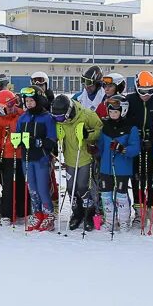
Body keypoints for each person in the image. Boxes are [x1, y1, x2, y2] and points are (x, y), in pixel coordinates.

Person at [52, 93, 102, 231]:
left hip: (85, 157)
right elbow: (56, 131)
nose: (60, 120)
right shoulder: (61, 121)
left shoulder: (86, 115)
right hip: (69, 158)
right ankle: (77, 213)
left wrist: (88, 135)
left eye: (62, 117)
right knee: (70, 188)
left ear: (69, 111)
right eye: (57, 118)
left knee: (82, 187)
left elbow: (100, 129)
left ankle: (89, 214)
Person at [15, 87, 57, 231]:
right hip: (26, 158)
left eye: (31, 100)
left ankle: (49, 215)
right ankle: (37, 213)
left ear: (38, 101)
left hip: (41, 158)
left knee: (42, 188)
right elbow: (17, 134)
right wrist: (17, 140)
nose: (29, 103)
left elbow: (52, 139)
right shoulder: (23, 118)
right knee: (31, 188)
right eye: (26, 101)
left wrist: (38, 142)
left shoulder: (47, 117)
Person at [127, 71, 153, 225]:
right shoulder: (130, 100)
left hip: (152, 144)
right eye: (142, 91)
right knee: (136, 178)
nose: (146, 95)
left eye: (150, 91)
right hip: (136, 144)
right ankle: (138, 211)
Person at [96, 95, 140, 232]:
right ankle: (110, 221)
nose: (113, 114)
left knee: (121, 194)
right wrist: (94, 150)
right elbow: (101, 147)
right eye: (111, 112)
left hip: (122, 168)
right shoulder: (105, 127)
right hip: (106, 167)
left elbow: (135, 148)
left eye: (116, 112)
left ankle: (124, 221)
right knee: (106, 194)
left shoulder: (130, 127)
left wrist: (122, 149)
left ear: (123, 111)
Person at [0, 89, 27, 224]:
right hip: (7, 157)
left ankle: (24, 211)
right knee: (9, 185)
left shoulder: (21, 114)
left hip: (22, 154)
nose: (12, 108)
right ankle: (7, 213)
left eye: (13, 105)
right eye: (8, 106)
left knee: (22, 183)